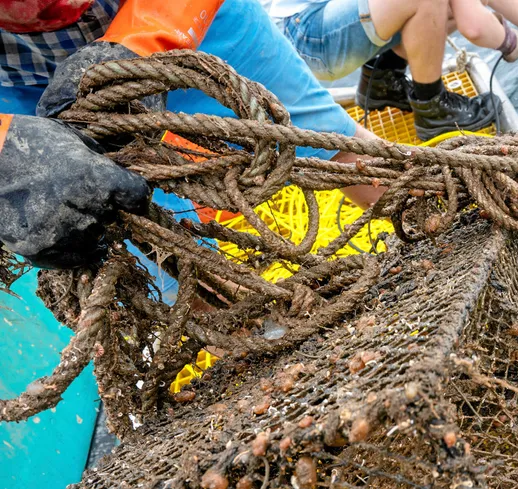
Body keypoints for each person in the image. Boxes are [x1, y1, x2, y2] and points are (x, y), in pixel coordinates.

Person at [0, 0, 384, 485]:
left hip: (177, 16)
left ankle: (443, 214)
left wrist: (136, 44)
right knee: (154, 242)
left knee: (325, 140)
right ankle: (281, 388)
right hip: (17, 82)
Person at [264, 0, 518, 140]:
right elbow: (474, 25)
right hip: (306, 33)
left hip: (326, 25)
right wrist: (510, 42)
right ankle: (433, 109)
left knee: (441, 7)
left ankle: (382, 82)